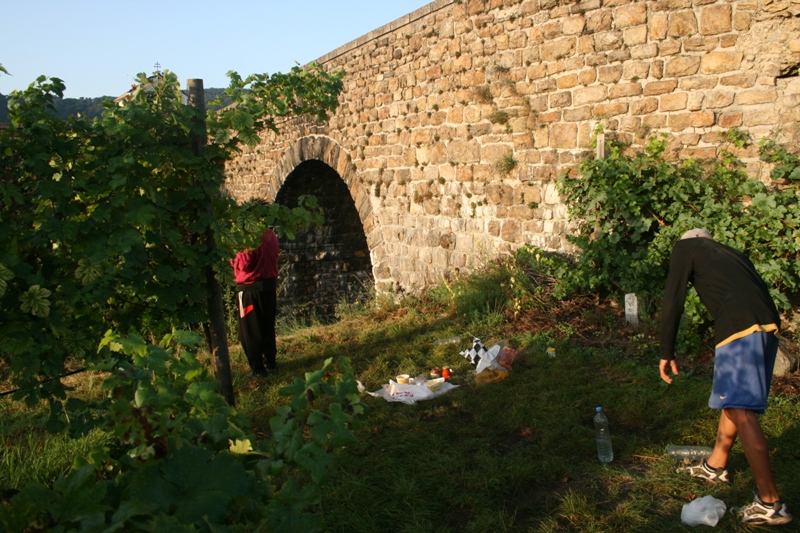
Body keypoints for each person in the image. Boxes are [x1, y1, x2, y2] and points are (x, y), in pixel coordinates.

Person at [659, 228, 792, 526]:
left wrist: (666, 350)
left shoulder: (685, 248)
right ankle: (715, 466)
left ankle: (770, 503)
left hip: (739, 326)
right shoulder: (732, 254)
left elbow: (673, 299)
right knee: (733, 400)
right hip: (766, 325)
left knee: (740, 408)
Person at [231, 228, 279, 376]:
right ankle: (270, 362)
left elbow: (244, 263)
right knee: (267, 326)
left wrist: (232, 256)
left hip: (250, 288)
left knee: (250, 330)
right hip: (269, 286)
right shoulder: (270, 234)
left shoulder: (248, 236)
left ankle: (257, 368)